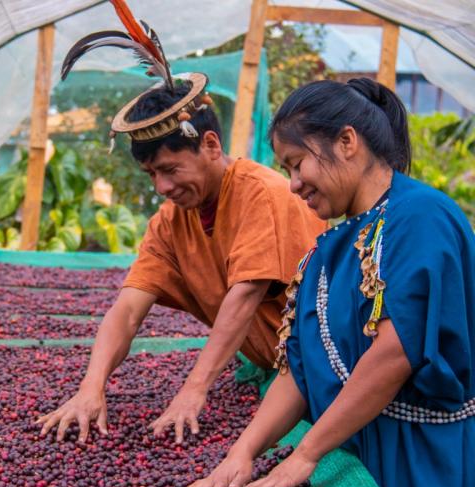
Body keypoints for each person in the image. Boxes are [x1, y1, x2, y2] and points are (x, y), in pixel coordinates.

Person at [177, 78, 475, 487]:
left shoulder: (420, 217)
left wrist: (308, 453)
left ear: (347, 142)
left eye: (297, 164)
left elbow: (394, 354)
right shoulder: (329, 248)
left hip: (426, 460)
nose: (293, 185)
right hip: (362, 450)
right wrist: (243, 452)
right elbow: (297, 369)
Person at [36, 0, 326, 445]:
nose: (161, 187)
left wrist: (194, 390)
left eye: (170, 170)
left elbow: (245, 295)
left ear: (210, 144)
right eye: (152, 174)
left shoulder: (260, 193)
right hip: (275, 366)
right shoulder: (170, 222)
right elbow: (129, 308)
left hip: (322, 375)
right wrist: (90, 388)